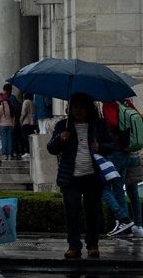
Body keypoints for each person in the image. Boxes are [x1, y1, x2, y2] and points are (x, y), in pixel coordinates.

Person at [47, 93, 114, 259]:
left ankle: (93, 245)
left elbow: (111, 145)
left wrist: (101, 146)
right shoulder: (64, 125)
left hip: (92, 176)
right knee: (72, 213)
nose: (79, 110)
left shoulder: (98, 125)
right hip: (70, 177)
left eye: (82, 107)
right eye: (75, 107)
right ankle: (73, 246)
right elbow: (51, 148)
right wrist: (60, 139)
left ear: (88, 109)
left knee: (93, 213)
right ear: (70, 109)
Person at [100, 100, 134, 237]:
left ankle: (123, 219)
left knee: (104, 188)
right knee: (119, 190)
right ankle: (126, 228)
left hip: (114, 152)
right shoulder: (126, 103)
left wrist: (105, 126)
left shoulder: (109, 104)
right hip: (126, 151)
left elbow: (114, 124)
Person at [0, 89, 16, 160]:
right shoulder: (11, 106)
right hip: (10, 125)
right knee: (9, 139)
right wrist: (12, 125)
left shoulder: (0, 107)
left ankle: (4, 154)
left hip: (2, 125)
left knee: (4, 139)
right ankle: (10, 154)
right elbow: (13, 117)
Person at [19, 93, 36, 158]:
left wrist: (20, 120)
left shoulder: (25, 102)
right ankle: (31, 151)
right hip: (32, 123)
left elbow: (24, 112)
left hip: (26, 122)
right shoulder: (32, 102)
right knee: (30, 138)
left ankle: (27, 152)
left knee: (25, 138)